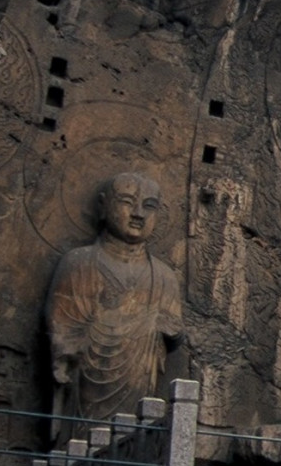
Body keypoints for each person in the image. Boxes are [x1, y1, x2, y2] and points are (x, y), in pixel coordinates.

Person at [45, 172, 185, 430]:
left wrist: (158, 325)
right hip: (87, 382)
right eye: (127, 202)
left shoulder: (164, 277)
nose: (138, 214)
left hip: (139, 382)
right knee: (82, 441)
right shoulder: (78, 263)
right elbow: (62, 327)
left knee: (132, 434)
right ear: (103, 205)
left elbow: (174, 330)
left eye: (149, 206)